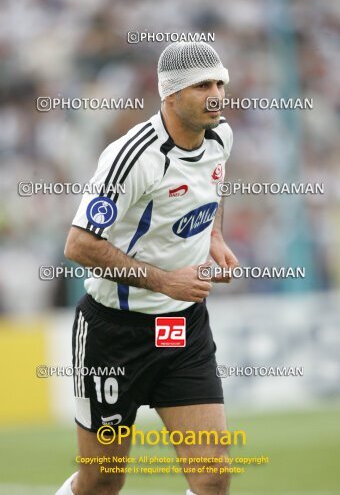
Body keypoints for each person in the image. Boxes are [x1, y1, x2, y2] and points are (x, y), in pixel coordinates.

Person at [57, 40, 239, 495]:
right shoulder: (133, 157)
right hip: (114, 334)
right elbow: (78, 244)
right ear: (170, 95)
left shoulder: (221, 137)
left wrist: (214, 236)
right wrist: (164, 280)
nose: (216, 94)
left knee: (213, 478)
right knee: (101, 482)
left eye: (220, 82)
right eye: (202, 85)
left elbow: (210, 188)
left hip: (181, 330)